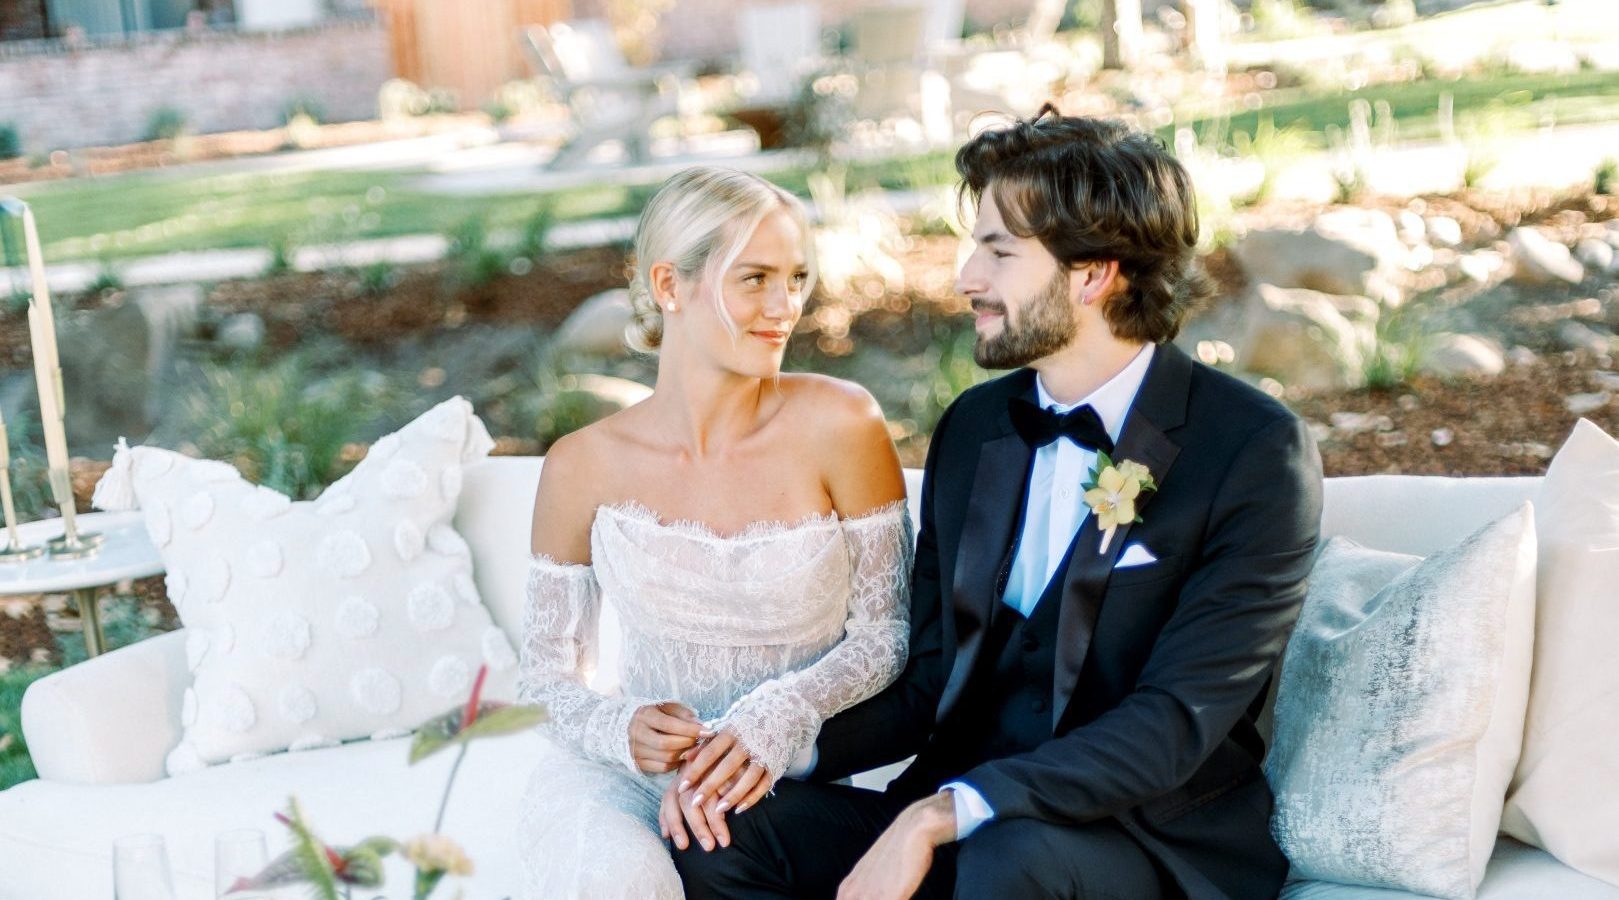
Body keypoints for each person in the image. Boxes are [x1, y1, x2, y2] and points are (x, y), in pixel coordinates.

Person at [672, 107, 1325, 900]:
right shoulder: (977, 430)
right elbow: (928, 681)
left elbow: (1173, 723)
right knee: (726, 831)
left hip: (1143, 844)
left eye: (998, 251)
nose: (964, 278)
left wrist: (942, 815)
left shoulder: (1252, 450)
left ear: (1092, 274)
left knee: (1008, 858)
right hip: (965, 817)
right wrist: (773, 747)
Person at [516, 166, 913, 899]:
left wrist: (780, 713)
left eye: (796, 278)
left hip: (782, 779)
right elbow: (543, 679)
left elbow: (886, 634)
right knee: (623, 880)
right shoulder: (581, 465)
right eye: (754, 279)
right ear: (669, 286)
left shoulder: (842, 424)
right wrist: (619, 727)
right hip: (625, 780)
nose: (784, 307)